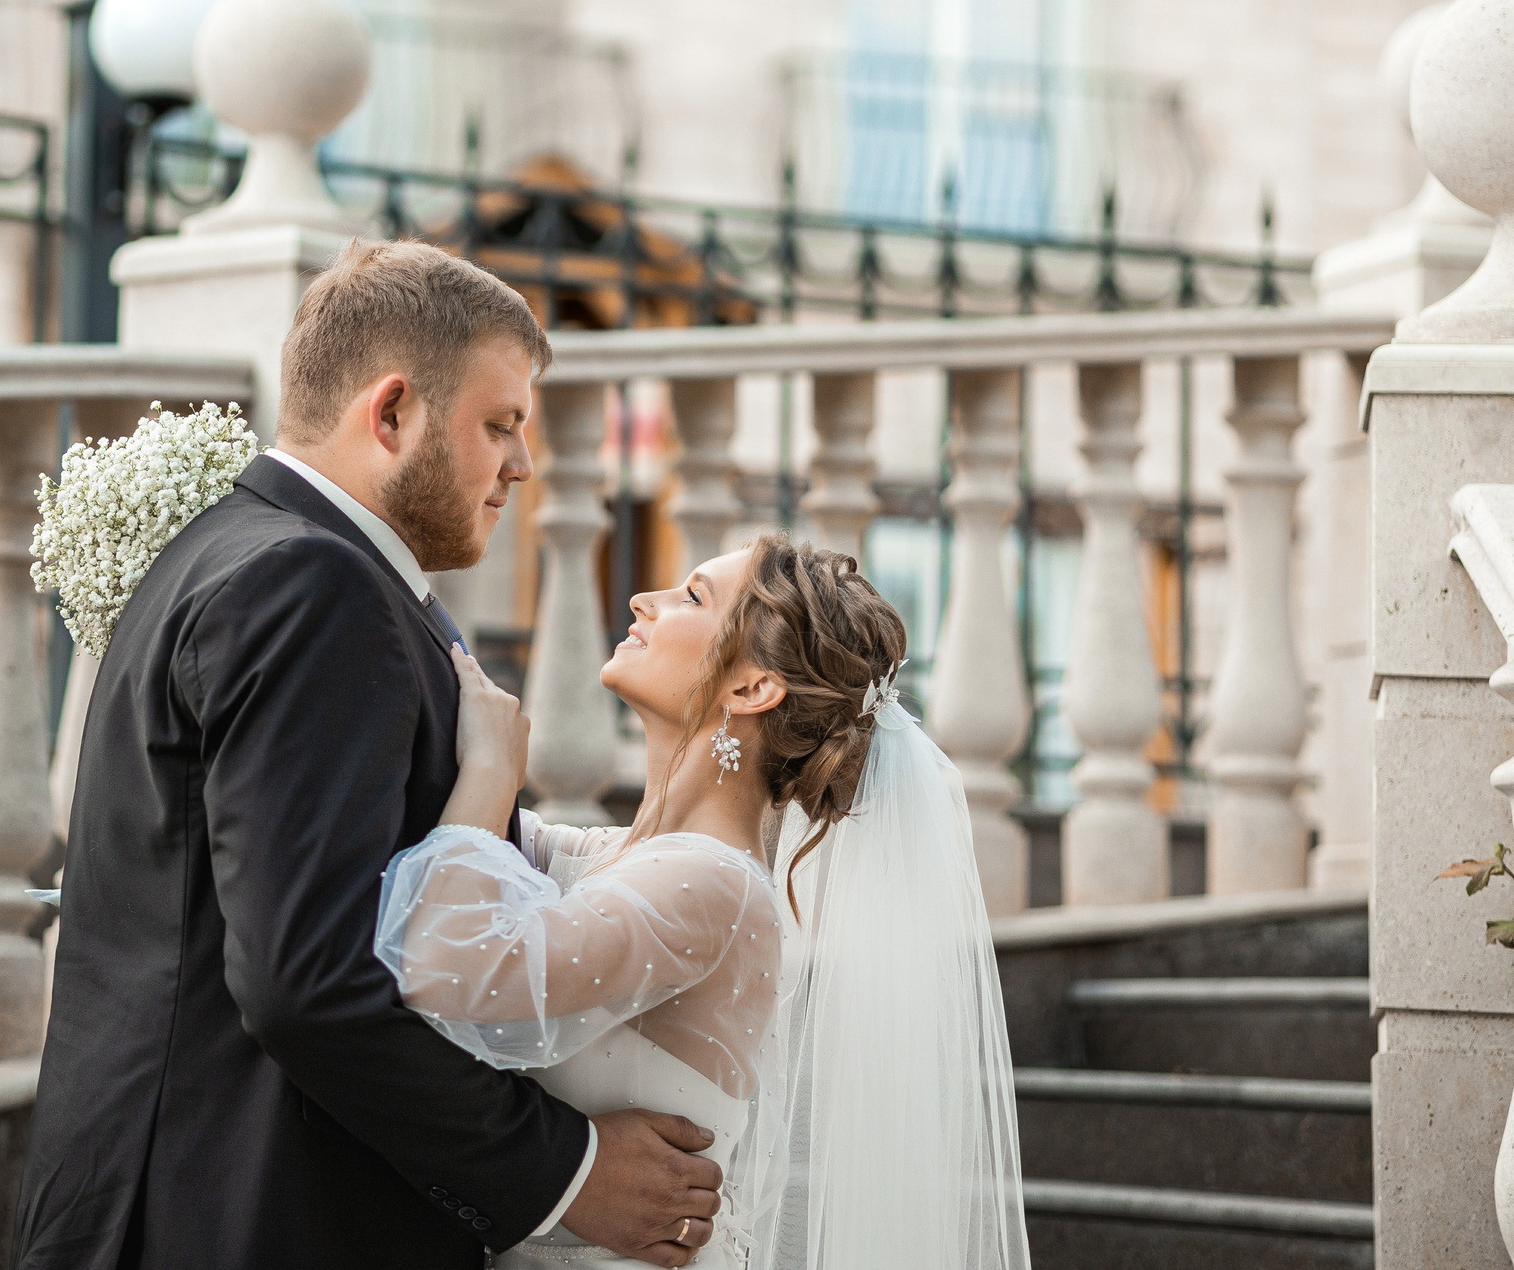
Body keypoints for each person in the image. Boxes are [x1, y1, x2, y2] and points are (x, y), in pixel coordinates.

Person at [14, 241, 728, 1270]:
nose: (521, 465)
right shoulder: (312, 590)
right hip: (234, 1219)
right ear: (390, 412)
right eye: (499, 425)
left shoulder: (238, 550)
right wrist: (563, 1172)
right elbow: (306, 980)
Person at [377, 534, 1030, 1269]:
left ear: (752, 688)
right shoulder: (618, 856)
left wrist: (494, 769)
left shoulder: (712, 886)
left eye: (691, 596)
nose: (641, 600)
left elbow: (450, 967)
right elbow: (462, 855)